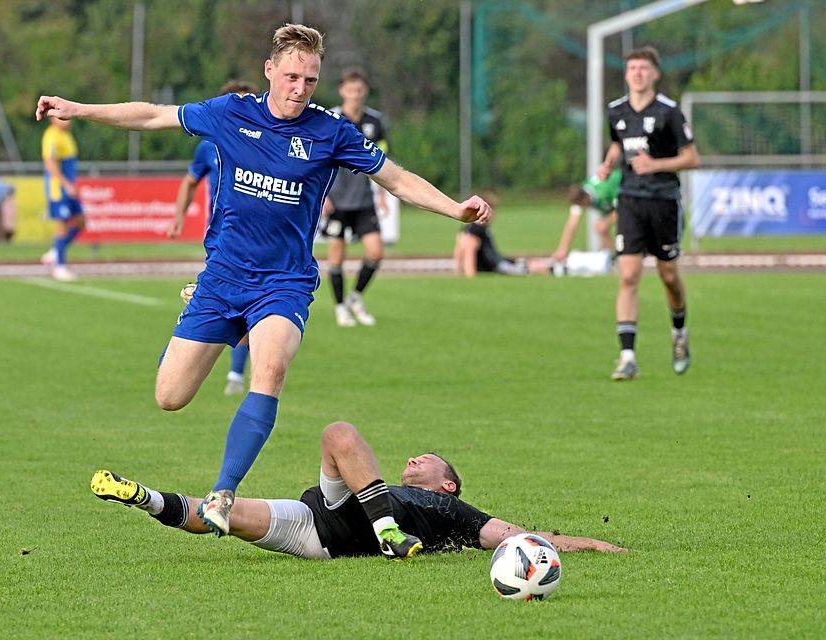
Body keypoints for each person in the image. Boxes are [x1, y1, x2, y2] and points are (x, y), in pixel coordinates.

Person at [36, 24, 492, 540]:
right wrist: (80, 109)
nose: (300, 89)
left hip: (284, 282)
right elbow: (152, 114)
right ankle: (197, 314)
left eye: (310, 80)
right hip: (223, 278)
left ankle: (222, 492)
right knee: (170, 396)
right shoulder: (232, 113)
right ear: (270, 70)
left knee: (269, 367)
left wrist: (456, 208)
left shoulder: (331, 131)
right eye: (292, 76)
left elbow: (396, 178)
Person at [90, 421, 627, 559]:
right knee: (217, 516)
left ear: (448, 482)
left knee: (339, 433)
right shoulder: (384, 484)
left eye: (428, 458)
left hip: (330, 539)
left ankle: (387, 530)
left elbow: (518, 537)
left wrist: (594, 544)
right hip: (318, 521)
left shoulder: (452, 510)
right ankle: (141, 496)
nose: (414, 457)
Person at [597, 46, 699, 380]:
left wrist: (656, 165)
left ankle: (679, 331)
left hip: (664, 201)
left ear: (655, 73)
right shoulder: (615, 111)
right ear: (626, 74)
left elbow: (692, 158)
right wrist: (609, 161)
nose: (638, 73)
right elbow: (618, 143)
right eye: (632, 68)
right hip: (629, 200)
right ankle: (627, 356)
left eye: (644, 68)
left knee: (668, 276)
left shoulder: (670, 112)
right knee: (628, 275)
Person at [169, 79, 259, 396]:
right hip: (223, 237)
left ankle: (236, 373)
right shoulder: (209, 145)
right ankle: (230, 367)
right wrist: (179, 216)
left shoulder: (266, 143)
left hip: (257, 238)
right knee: (242, 307)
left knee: (248, 309)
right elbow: (190, 181)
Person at [321, 68, 389, 327]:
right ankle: (340, 307)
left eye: (359, 89)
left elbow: (384, 161)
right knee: (336, 258)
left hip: (363, 200)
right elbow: (320, 161)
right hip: (337, 201)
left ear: (365, 91)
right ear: (342, 91)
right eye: (350, 89)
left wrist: (382, 195)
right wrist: (323, 195)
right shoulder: (332, 119)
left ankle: (355, 297)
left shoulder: (375, 121)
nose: (355, 94)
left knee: (376, 252)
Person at [40, 115, 85, 282]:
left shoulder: (67, 135)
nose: (68, 121)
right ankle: (59, 266)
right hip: (59, 189)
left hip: (70, 188)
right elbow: (50, 163)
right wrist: (66, 185)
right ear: (52, 119)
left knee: (81, 222)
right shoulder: (52, 135)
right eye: (62, 118)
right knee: (62, 226)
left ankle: (55, 252)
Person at [552, 168, 622, 262]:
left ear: (584, 199)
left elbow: (623, 209)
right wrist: (562, 249)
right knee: (601, 227)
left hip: (628, 187)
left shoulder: (604, 191)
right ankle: (612, 257)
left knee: (602, 226)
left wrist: (606, 222)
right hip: (616, 202)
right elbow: (572, 224)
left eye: (581, 205)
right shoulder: (581, 193)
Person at [453, 208, 527, 277]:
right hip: (494, 265)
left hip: (496, 261)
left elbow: (458, 250)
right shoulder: (475, 230)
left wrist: (458, 269)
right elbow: (469, 248)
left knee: (524, 263)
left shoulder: (472, 228)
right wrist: (470, 274)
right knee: (530, 267)